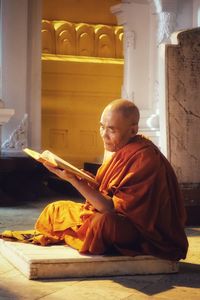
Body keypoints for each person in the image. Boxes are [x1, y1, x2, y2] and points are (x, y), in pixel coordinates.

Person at [1, 99, 188, 260]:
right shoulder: (123, 149)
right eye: (101, 126)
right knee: (55, 209)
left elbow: (110, 208)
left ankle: (78, 235)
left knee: (104, 224)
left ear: (133, 130)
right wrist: (81, 177)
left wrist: (74, 180)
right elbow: (107, 190)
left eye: (112, 130)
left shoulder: (144, 157)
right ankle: (78, 234)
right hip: (106, 214)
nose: (104, 135)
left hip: (141, 232)